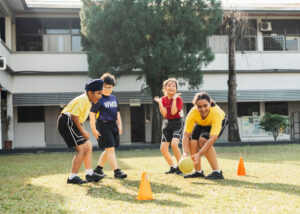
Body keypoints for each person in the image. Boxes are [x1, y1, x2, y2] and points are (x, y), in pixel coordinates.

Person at [57, 79, 105, 184]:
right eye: (98, 93)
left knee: (88, 145)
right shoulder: (84, 99)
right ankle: (72, 177)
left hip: (72, 122)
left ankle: (90, 174)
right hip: (67, 122)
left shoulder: (88, 101)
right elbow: (74, 116)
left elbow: (78, 118)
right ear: (90, 92)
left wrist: (82, 130)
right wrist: (82, 131)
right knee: (82, 149)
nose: (100, 96)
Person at [182, 92, 228, 179]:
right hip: (201, 122)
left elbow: (212, 139)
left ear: (210, 103)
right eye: (199, 107)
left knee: (203, 141)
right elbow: (186, 135)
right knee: (192, 141)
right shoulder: (193, 113)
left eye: (205, 105)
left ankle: (217, 172)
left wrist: (199, 154)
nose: (203, 109)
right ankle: (198, 172)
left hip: (218, 121)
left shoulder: (216, 113)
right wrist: (184, 153)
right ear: (195, 106)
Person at [90, 73, 127, 179]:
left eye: (109, 87)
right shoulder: (98, 99)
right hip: (102, 125)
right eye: (104, 87)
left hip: (113, 125)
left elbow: (117, 112)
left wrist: (120, 125)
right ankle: (117, 171)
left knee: (109, 149)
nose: (106, 89)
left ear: (113, 87)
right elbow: (92, 114)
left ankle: (98, 169)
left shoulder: (114, 98)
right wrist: (93, 129)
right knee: (110, 149)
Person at [154, 78, 184, 174]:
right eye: (169, 86)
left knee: (174, 144)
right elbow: (165, 114)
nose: (171, 88)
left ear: (176, 88)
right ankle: (173, 167)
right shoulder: (162, 99)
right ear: (165, 88)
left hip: (177, 123)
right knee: (163, 149)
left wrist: (174, 99)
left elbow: (173, 112)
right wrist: (160, 104)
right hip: (167, 123)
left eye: (173, 86)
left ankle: (181, 166)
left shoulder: (178, 99)